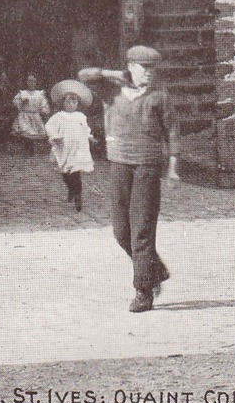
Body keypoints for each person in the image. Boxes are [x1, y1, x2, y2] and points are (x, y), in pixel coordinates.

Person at [77, 46, 180, 313]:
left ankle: (143, 292)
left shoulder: (159, 96)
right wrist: (112, 73)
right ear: (131, 67)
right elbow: (83, 76)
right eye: (143, 68)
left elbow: (172, 131)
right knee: (121, 231)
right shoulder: (111, 93)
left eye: (152, 69)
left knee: (142, 229)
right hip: (119, 164)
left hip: (148, 166)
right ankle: (154, 268)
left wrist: (172, 166)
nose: (148, 74)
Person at [45, 80, 95, 213]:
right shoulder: (59, 116)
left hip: (78, 148)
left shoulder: (81, 116)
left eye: (74, 102)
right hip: (64, 147)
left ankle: (78, 195)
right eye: (68, 102)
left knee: (76, 172)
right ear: (63, 103)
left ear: (78, 104)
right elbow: (50, 127)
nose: (71, 104)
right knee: (66, 173)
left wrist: (89, 136)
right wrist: (55, 136)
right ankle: (71, 189)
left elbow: (85, 129)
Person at [11, 74, 50, 149]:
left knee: (34, 133)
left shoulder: (39, 94)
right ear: (26, 82)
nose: (31, 83)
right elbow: (16, 103)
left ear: (36, 82)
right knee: (25, 131)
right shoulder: (22, 93)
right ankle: (27, 146)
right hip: (24, 115)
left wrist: (44, 111)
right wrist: (22, 102)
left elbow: (43, 105)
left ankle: (32, 147)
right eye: (29, 81)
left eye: (33, 81)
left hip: (35, 115)